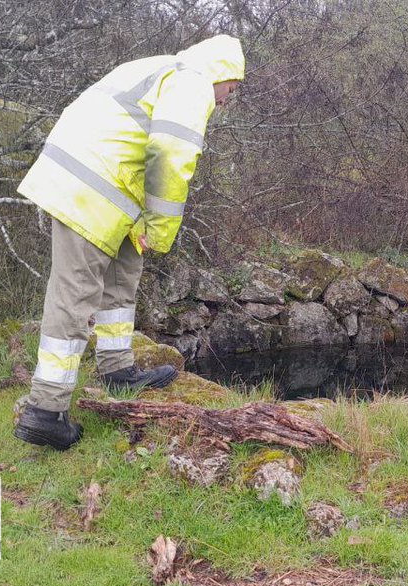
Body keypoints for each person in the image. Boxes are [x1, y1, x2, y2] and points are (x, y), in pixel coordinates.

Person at [13, 35, 244, 450]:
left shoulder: (162, 67)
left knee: (122, 275)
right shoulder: (192, 81)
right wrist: (160, 228)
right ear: (222, 73)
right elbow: (171, 156)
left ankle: (118, 370)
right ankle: (45, 410)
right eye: (233, 87)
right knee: (75, 292)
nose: (230, 97)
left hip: (106, 184)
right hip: (91, 186)